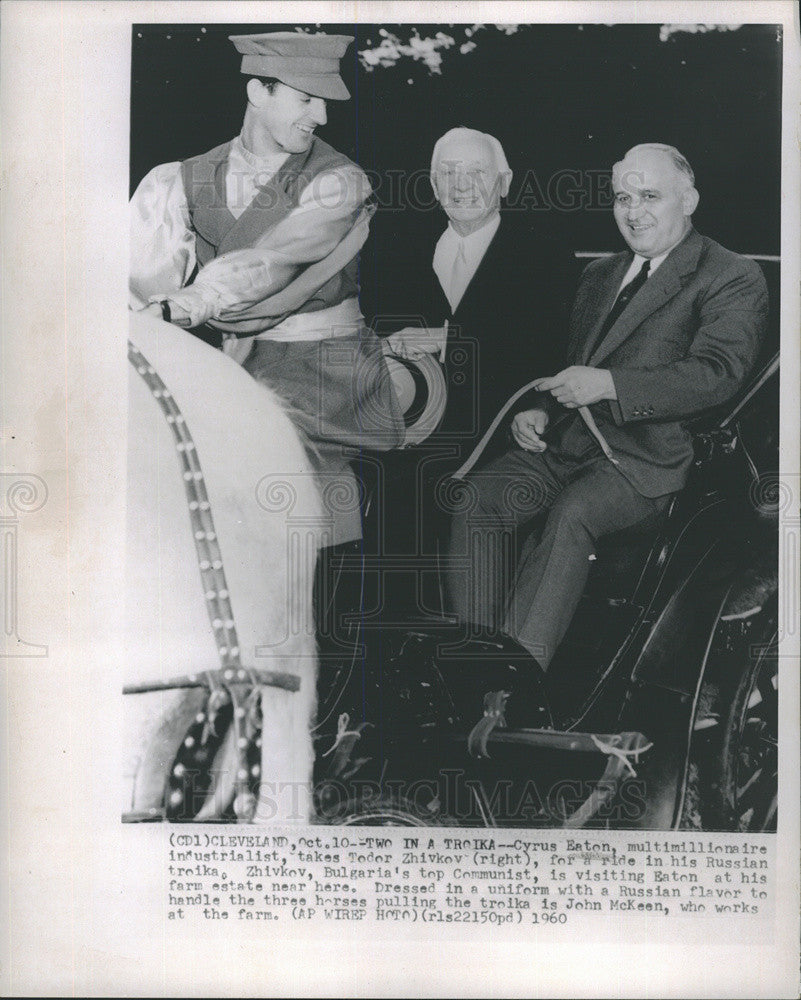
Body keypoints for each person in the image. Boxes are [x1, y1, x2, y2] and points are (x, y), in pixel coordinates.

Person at [448, 143, 768, 668]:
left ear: (688, 200)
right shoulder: (599, 274)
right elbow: (573, 364)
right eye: (622, 197)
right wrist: (542, 410)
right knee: (475, 500)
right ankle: (471, 665)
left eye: (649, 196)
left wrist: (610, 385)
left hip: (649, 463)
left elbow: (717, 375)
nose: (633, 211)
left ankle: (515, 681)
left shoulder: (730, 275)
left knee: (572, 514)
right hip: (568, 447)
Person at [129, 31, 405, 547]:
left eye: (324, 103)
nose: (321, 117)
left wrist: (188, 304)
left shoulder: (339, 180)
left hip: (324, 370)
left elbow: (272, 261)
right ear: (259, 92)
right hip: (225, 363)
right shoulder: (177, 180)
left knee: (297, 504)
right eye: (307, 99)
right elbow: (139, 293)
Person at [374, 127, 575, 465]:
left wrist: (447, 339)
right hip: (403, 440)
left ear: (505, 182)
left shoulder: (543, 256)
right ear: (435, 186)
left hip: (501, 442)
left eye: (478, 172)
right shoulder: (400, 253)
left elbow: (549, 349)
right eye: (449, 173)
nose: (462, 185)